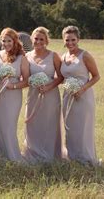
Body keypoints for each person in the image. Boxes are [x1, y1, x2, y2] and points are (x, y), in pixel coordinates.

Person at [23, 27, 64, 163]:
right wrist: (32, 82)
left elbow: (61, 77)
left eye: (42, 39)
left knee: (49, 123)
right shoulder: (27, 56)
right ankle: (33, 153)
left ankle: (51, 154)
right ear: (31, 39)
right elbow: (25, 77)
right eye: (36, 38)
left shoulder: (54, 56)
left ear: (46, 41)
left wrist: (48, 87)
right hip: (33, 94)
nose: (38, 41)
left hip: (50, 95)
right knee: (32, 122)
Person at [61, 26, 100, 165]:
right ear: (63, 40)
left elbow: (96, 76)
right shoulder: (63, 56)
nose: (70, 43)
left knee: (83, 129)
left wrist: (82, 89)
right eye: (67, 40)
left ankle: (87, 159)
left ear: (78, 39)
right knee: (70, 128)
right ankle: (73, 158)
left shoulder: (85, 55)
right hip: (67, 97)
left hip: (83, 97)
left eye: (73, 40)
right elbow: (60, 78)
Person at [0, 28, 29, 161]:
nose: (6, 44)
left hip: (12, 95)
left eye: (9, 41)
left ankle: (12, 155)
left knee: (9, 125)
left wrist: (13, 86)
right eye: (4, 41)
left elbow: (27, 81)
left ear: (15, 41)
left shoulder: (21, 58)